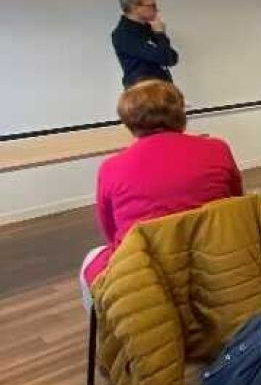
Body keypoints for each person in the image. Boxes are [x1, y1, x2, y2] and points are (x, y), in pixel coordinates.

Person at [82, 80, 241, 288]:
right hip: (217, 257)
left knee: (92, 261)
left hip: (146, 271)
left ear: (129, 121)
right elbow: (235, 203)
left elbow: (112, 232)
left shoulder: (111, 168)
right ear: (180, 113)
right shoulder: (217, 149)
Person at [111, 0, 178, 88]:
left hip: (160, 87)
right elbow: (164, 58)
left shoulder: (148, 28)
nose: (157, 10)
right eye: (152, 6)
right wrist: (160, 34)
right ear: (135, 7)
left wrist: (160, 35)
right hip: (142, 91)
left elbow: (172, 58)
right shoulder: (124, 35)